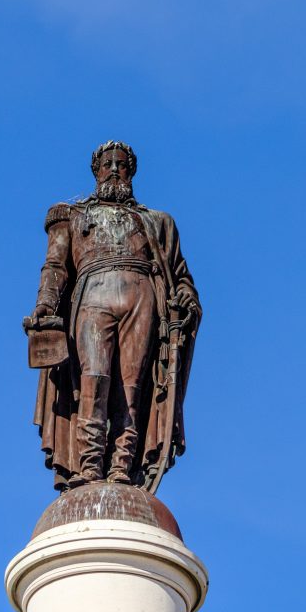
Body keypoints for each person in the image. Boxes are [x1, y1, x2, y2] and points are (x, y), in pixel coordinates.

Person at [28, 141, 201, 491]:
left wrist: (184, 297)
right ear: (96, 171)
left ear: (132, 171)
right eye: (107, 164)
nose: (114, 170)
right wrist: (45, 304)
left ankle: (123, 468)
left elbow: (181, 276)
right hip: (94, 292)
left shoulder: (157, 222)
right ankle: (90, 466)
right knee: (95, 379)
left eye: (122, 164)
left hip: (142, 296)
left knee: (132, 387)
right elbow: (55, 266)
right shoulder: (71, 215)